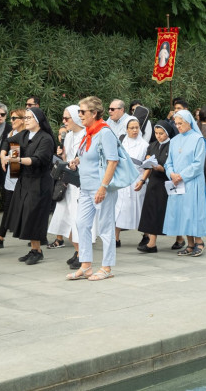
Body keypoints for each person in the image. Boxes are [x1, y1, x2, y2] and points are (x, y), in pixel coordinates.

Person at [67, 96, 122, 281]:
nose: (79, 115)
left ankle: (106, 267)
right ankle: (86, 265)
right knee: (82, 224)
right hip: (86, 187)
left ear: (94, 113)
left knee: (106, 228)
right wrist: (77, 160)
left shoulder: (104, 132)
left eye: (83, 112)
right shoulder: (89, 132)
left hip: (100, 188)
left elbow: (112, 161)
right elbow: (90, 156)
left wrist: (103, 187)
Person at [4, 108, 55, 265]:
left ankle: (38, 251)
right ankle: (35, 249)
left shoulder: (46, 139)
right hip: (25, 180)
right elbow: (9, 141)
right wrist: (4, 157)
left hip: (39, 182)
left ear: (38, 120)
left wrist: (15, 159)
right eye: (24, 118)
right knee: (26, 214)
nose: (25, 120)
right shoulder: (24, 135)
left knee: (35, 215)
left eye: (29, 118)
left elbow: (38, 160)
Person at [162, 110, 206, 256]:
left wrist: (181, 176)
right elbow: (168, 161)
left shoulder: (198, 139)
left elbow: (198, 164)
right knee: (183, 212)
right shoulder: (174, 140)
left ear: (189, 122)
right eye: (176, 124)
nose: (178, 127)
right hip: (178, 182)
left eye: (180, 123)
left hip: (192, 181)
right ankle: (189, 244)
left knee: (193, 211)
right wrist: (171, 173)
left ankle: (199, 241)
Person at [48, 106, 84, 264]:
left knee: (77, 220)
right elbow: (66, 158)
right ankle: (77, 251)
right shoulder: (68, 136)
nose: (64, 122)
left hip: (80, 184)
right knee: (66, 220)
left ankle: (82, 254)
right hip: (67, 182)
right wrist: (61, 155)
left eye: (66, 118)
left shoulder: (86, 135)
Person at [135, 120, 176, 253]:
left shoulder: (173, 146)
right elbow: (148, 166)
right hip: (153, 182)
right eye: (156, 133)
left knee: (170, 212)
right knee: (152, 211)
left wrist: (161, 168)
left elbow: (175, 165)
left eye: (161, 133)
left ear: (168, 133)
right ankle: (152, 243)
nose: (158, 136)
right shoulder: (152, 145)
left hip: (167, 182)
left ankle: (180, 238)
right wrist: (142, 180)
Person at [0, 108, 27, 248]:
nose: (11, 121)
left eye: (14, 118)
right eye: (11, 118)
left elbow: (21, 155)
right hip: (12, 174)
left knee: (27, 208)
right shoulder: (11, 133)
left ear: (22, 120)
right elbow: (5, 147)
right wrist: (2, 156)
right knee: (7, 207)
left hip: (24, 175)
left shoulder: (26, 135)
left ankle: (37, 237)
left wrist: (7, 157)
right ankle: (0, 238)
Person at [114, 116, 149, 245]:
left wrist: (143, 180)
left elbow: (147, 164)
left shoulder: (144, 145)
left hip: (137, 179)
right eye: (131, 128)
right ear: (126, 129)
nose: (134, 130)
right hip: (123, 180)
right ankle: (116, 238)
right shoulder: (122, 142)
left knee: (140, 208)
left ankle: (146, 236)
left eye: (136, 128)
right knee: (119, 209)